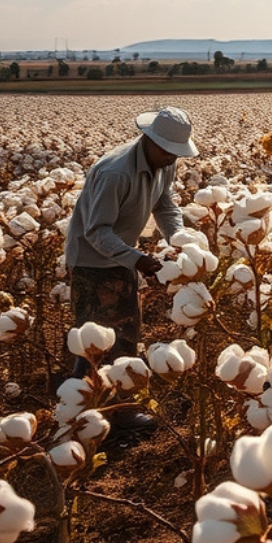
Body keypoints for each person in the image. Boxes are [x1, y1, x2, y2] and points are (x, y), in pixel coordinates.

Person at [63, 106, 198, 430]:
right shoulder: (116, 173)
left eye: (177, 153)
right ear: (149, 140)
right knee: (104, 337)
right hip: (92, 261)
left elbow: (165, 206)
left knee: (118, 332)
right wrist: (137, 258)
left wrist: (179, 240)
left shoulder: (164, 163)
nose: (173, 159)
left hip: (120, 256)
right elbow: (96, 231)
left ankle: (83, 405)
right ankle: (102, 415)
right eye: (169, 152)